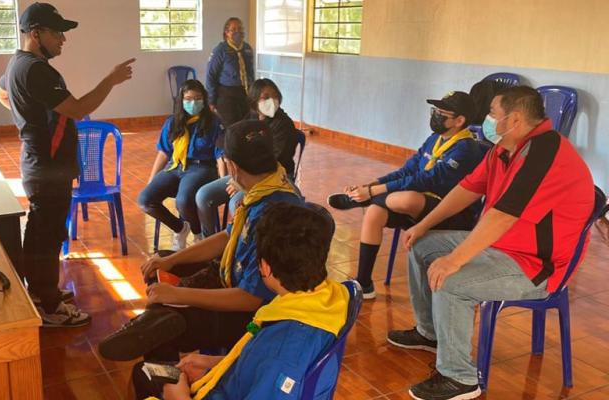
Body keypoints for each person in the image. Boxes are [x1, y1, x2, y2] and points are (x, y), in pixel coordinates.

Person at [389, 86, 594, 400]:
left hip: (536, 265)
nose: (487, 120)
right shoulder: (504, 149)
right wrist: (423, 225)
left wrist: (454, 260)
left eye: (492, 114)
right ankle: (429, 333)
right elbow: (467, 189)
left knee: (450, 281)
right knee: (422, 246)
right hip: (501, 245)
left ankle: (459, 379)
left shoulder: (545, 151)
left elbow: (503, 216)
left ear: (514, 119)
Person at [97, 120, 303, 365]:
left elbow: (250, 298)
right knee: (163, 264)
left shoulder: (274, 215)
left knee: (167, 324)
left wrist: (179, 294)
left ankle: (163, 364)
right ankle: (154, 322)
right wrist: (171, 260)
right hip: (231, 277)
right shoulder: (265, 188)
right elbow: (227, 237)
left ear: (232, 166)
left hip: (253, 317)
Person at [0, 2, 134, 327]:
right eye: (57, 33)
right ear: (36, 33)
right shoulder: (36, 70)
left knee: (43, 231)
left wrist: (28, 116)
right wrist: (110, 80)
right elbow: (79, 108)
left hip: (40, 164)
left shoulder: (17, 63)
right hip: (48, 167)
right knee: (47, 235)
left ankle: (41, 292)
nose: (63, 39)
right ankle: (49, 307)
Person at [130, 202, 347, 400]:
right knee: (152, 372)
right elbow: (260, 363)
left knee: (144, 374)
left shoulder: (282, 351)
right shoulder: (329, 299)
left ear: (264, 267)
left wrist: (178, 396)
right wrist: (218, 363)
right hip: (238, 381)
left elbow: (271, 366)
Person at [327, 92, 485, 299]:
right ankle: (364, 284)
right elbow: (407, 171)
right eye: (435, 111)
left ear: (459, 120)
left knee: (404, 198)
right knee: (375, 212)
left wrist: (372, 192)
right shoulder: (434, 139)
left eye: (441, 113)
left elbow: (427, 180)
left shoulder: (466, 148)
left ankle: (364, 200)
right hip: (419, 206)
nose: (435, 116)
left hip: (449, 213)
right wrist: (373, 184)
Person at [196, 78, 299, 238]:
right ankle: (209, 242)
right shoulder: (251, 118)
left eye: (275, 96)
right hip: (244, 173)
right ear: (254, 101)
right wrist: (235, 172)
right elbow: (230, 138)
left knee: (236, 203)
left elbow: (274, 161)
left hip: (275, 177)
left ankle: (243, 245)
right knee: (203, 195)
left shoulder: (283, 124)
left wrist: (244, 181)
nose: (271, 101)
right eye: (265, 97)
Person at [137, 80, 224, 250]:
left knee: (183, 201)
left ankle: (198, 235)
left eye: (198, 98)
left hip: (201, 167)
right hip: (175, 166)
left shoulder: (213, 122)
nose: (193, 103)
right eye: (188, 99)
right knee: (145, 200)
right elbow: (164, 152)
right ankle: (180, 228)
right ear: (181, 101)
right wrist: (151, 179)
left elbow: (220, 155)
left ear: (204, 99)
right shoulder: (173, 122)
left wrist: (223, 180)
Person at [206, 17, 254, 128]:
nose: (238, 32)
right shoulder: (220, 50)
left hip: (245, 93)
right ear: (226, 33)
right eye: (234, 29)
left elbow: (250, 73)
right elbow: (211, 76)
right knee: (231, 127)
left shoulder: (247, 49)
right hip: (227, 95)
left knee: (246, 125)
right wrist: (211, 101)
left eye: (240, 29)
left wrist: (253, 94)